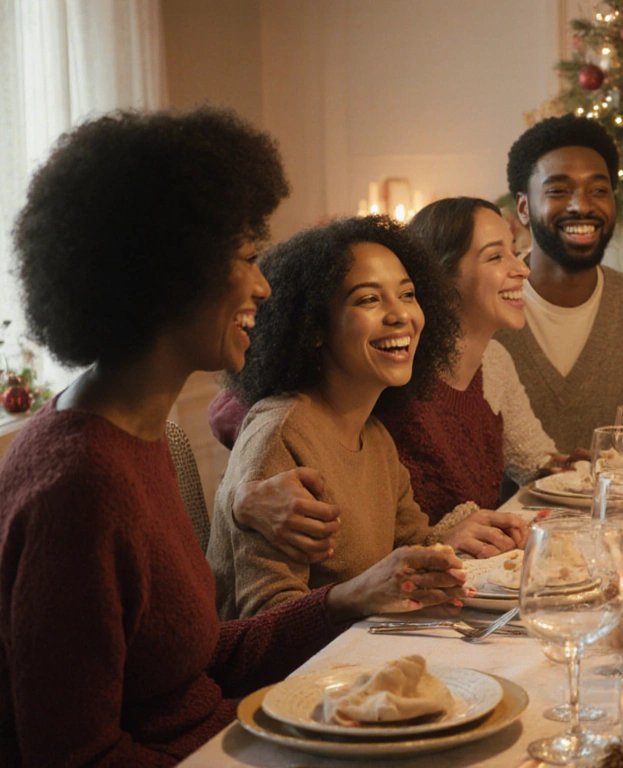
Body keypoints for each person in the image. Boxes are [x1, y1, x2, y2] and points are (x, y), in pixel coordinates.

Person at [0, 107, 464, 767]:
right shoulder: (77, 486)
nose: (262, 285)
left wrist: (345, 600)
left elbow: (200, 660)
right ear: (167, 273)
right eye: (245, 259)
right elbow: (75, 756)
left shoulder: (137, 434)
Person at [207, 215, 474, 620]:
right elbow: (264, 617)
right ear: (315, 326)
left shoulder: (376, 436)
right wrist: (360, 594)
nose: (400, 314)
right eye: (369, 299)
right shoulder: (281, 434)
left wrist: (463, 541)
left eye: (407, 294)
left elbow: (413, 545)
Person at [497, 114, 623, 453]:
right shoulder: (488, 312)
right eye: (559, 190)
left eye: (599, 190)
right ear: (524, 208)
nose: (582, 206)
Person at [392, 197, 565, 518]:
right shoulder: (398, 371)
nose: (522, 270)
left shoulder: (495, 361)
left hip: (485, 563)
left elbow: (537, 463)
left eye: (514, 251)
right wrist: (442, 538)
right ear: (440, 277)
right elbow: (376, 529)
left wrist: (580, 469)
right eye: (496, 257)